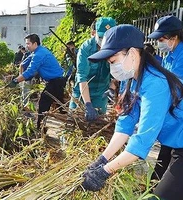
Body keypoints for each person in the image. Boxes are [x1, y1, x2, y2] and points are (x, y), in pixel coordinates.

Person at [82, 24, 183, 200]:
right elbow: (125, 125)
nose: (112, 68)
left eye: (113, 61)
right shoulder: (132, 80)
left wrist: (105, 171)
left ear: (133, 53)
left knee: (161, 196)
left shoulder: (156, 84)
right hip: (176, 142)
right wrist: (103, 159)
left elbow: (142, 141)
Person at [147, 15, 183, 181]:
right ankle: (154, 183)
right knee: (165, 149)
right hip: (174, 115)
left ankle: (160, 187)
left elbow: (173, 86)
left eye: (162, 38)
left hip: (180, 117)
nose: (159, 42)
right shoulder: (169, 56)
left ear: (174, 37)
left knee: (173, 154)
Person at [8, 33, 66, 129]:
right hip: (56, 81)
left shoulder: (39, 54)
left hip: (56, 81)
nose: (26, 46)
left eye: (28, 44)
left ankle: (40, 127)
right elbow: (24, 64)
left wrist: (15, 81)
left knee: (43, 103)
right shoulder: (37, 52)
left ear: (35, 44)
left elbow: (30, 71)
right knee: (60, 105)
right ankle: (67, 121)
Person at [69, 17, 117, 121]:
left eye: (108, 38)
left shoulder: (117, 49)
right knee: (73, 123)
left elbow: (119, 72)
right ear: (94, 33)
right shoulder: (86, 49)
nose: (104, 42)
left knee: (97, 126)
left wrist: (112, 88)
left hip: (101, 94)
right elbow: (82, 76)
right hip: (81, 93)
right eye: (101, 37)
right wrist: (88, 104)